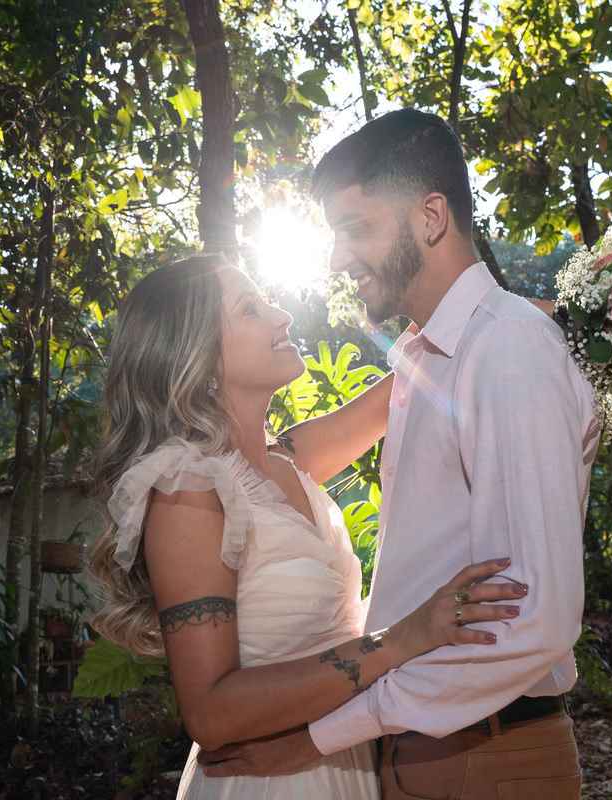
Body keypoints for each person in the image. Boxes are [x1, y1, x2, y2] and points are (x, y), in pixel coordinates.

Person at [197, 109, 600, 799]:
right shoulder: (427, 358)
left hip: (488, 757)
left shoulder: (505, 350)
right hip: (425, 754)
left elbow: (534, 621)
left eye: (356, 228)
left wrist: (318, 737)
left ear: (430, 217)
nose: (336, 258)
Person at [86, 253, 530, 800]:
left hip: (347, 764)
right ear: (195, 357)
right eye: (250, 309)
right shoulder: (189, 491)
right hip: (268, 785)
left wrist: (590, 314)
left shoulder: (288, 459)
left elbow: (424, 372)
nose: (282, 317)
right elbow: (209, 713)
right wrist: (398, 642)